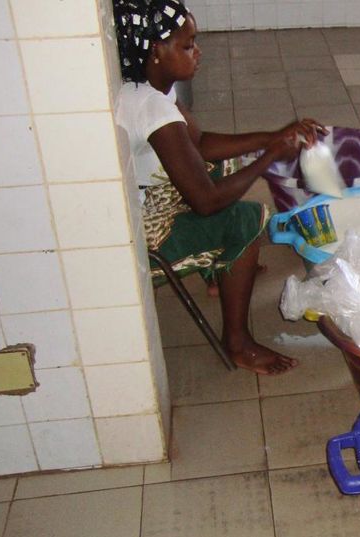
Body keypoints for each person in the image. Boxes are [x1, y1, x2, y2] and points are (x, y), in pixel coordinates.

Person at [113, 0, 320, 375]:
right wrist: (269, 156)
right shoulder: (151, 108)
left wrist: (276, 136)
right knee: (247, 217)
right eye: (187, 45)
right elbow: (206, 203)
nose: (197, 52)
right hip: (147, 236)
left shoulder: (148, 90)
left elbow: (201, 142)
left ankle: (219, 272)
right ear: (157, 51)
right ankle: (237, 342)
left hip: (140, 200)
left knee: (221, 164)